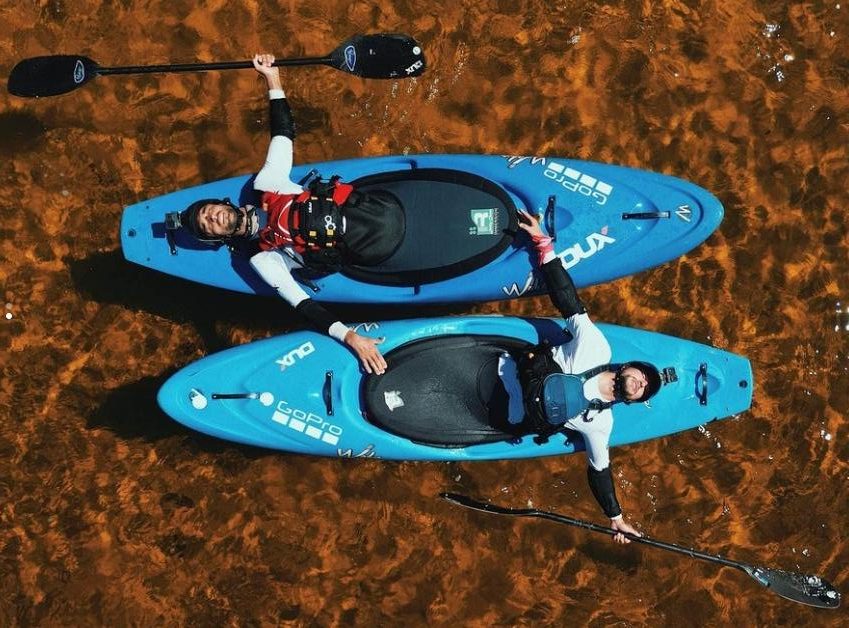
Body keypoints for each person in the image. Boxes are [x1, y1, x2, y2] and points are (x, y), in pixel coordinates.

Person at [172, 54, 402, 375]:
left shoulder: (268, 184)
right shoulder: (262, 258)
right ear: (217, 238)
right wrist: (351, 337)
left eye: (211, 211)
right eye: (208, 224)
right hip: (376, 252)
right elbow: (302, 302)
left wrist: (272, 79)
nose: (214, 218)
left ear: (223, 204)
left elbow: (283, 134)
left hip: (379, 209)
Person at [500, 210, 667, 543]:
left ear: (633, 401)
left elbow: (599, 471)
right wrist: (542, 244)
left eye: (644, 390)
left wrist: (615, 518)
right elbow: (567, 299)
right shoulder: (596, 347)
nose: (641, 383)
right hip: (502, 370)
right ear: (627, 366)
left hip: (501, 419)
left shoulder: (600, 425)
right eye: (643, 375)